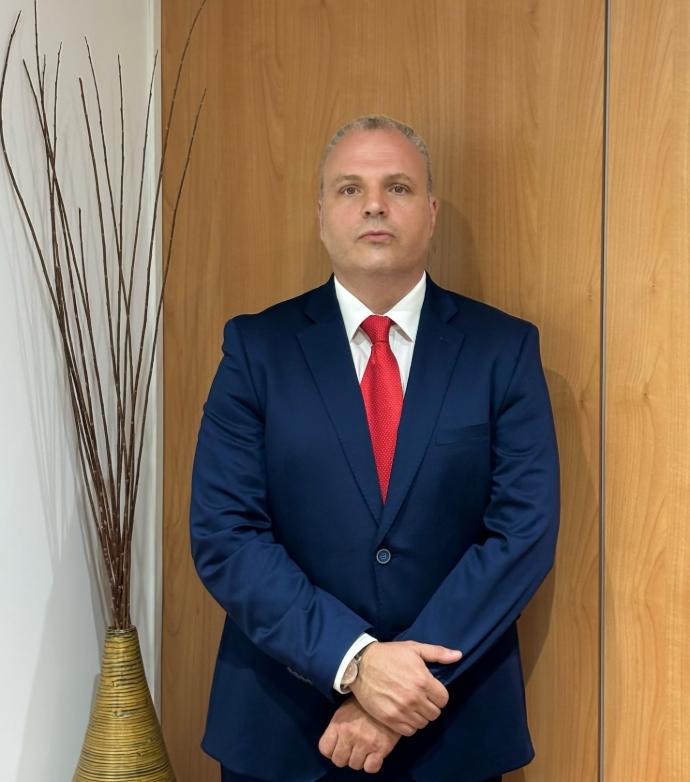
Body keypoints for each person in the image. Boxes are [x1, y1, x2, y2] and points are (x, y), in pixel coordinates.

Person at [190, 115, 560, 782]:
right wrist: (355, 661)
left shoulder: (503, 350)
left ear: (431, 212)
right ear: (321, 215)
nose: (374, 205)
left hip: (452, 729)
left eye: (398, 187)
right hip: (282, 729)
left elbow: (521, 535)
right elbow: (226, 534)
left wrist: (399, 693)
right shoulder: (256, 350)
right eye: (349, 188)